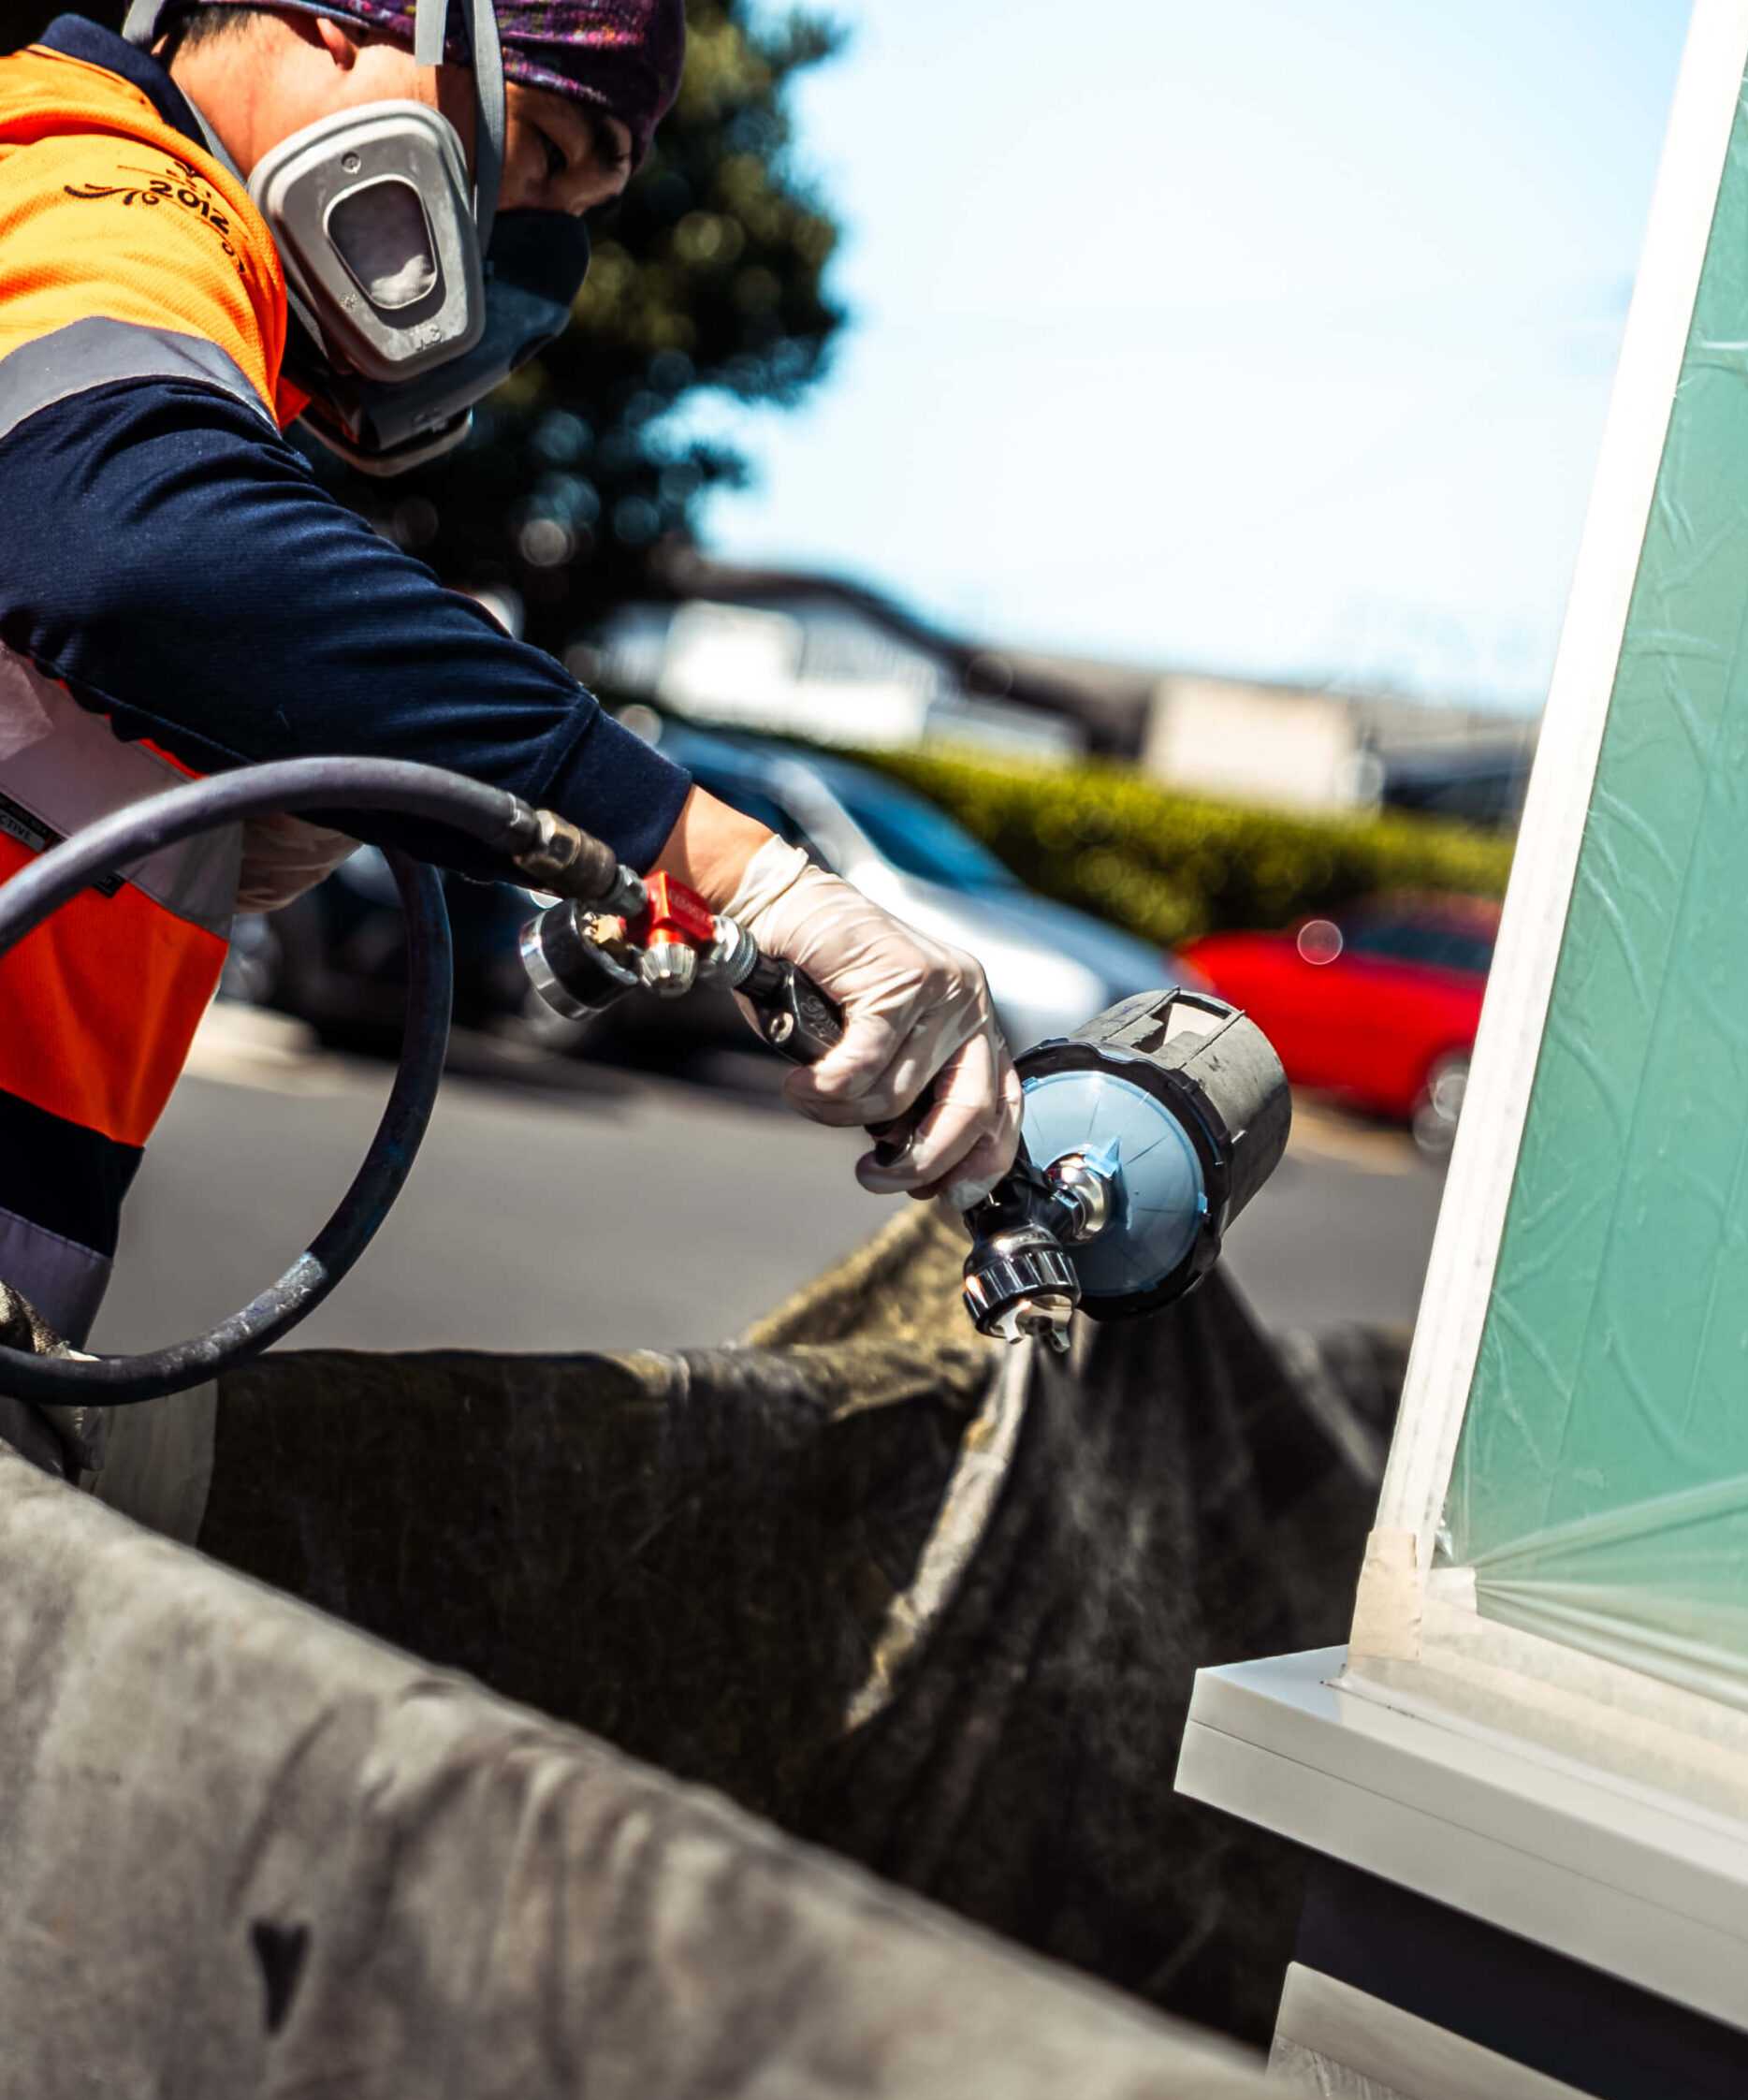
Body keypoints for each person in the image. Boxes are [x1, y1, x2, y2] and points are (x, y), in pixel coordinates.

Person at [0, 0, 1022, 1360]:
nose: (505, 235)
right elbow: (127, 534)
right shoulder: (87, 172)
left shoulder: (174, 284)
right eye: (539, 151)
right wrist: (713, 856)